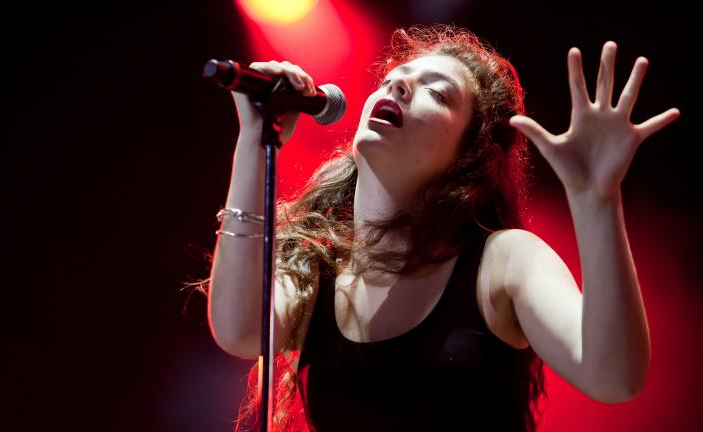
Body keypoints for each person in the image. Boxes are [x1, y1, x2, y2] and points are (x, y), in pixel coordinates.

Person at [196, 24, 680, 432]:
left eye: (438, 91)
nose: (397, 87)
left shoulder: (504, 262)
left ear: (469, 156)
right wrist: (256, 140)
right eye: (393, 79)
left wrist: (597, 200)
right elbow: (240, 331)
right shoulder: (318, 267)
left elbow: (614, 378)